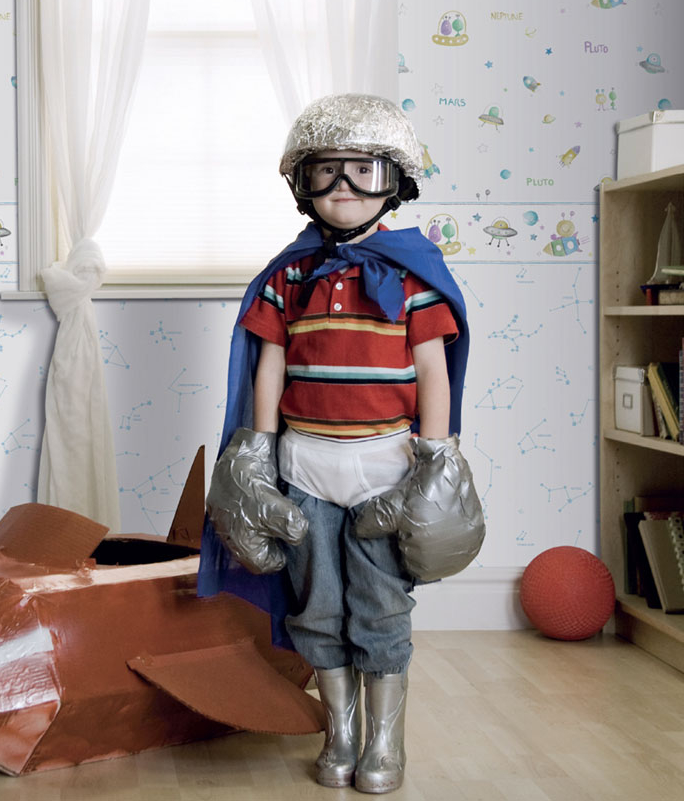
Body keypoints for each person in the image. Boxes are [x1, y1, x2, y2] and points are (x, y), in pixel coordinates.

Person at [200, 94, 483, 794]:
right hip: (305, 466)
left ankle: (386, 743)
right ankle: (343, 733)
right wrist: (255, 454)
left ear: (396, 182)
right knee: (317, 604)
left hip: (385, 470)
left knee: (381, 604)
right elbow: (268, 363)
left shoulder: (414, 278)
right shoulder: (289, 277)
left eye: (364, 170)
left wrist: (437, 458)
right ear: (302, 184)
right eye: (325, 171)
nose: (344, 187)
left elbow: (433, 371)